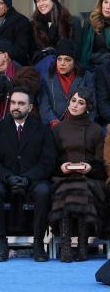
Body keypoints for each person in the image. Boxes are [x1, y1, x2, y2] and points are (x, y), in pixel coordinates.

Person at [0, 87, 55, 262]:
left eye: (21, 103)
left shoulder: (43, 130)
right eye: (13, 102)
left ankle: (38, 243)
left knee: (44, 192)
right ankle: (1, 242)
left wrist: (28, 178)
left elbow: (48, 162)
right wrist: (8, 177)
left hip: (33, 180)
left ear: (30, 108)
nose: (16, 106)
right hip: (6, 180)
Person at [48, 88, 106, 262]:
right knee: (68, 190)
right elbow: (50, 161)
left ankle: (82, 245)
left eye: (81, 103)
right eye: (73, 101)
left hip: (89, 178)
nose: (75, 105)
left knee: (81, 189)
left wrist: (89, 167)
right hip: (63, 177)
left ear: (87, 108)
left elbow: (101, 163)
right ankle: (66, 245)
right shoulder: (58, 129)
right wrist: (62, 167)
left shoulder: (96, 130)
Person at [0, 37, 40, 134]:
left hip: (25, 131)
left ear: (5, 56)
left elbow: (31, 86)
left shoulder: (26, 71)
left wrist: (9, 82)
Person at [38, 39, 95, 127]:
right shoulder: (47, 78)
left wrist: (84, 125)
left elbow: (92, 105)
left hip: (80, 126)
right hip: (54, 125)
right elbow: (44, 106)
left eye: (67, 60)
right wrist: (53, 121)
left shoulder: (86, 77)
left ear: (74, 62)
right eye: (59, 59)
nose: (62, 63)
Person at [30, 0, 82, 76]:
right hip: (42, 68)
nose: (41, 3)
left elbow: (77, 49)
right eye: (38, 1)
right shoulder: (33, 24)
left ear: (53, 0)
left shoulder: (71, 22)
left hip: (68, 68)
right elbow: (31, 51)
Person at [80, 0, 110, 69]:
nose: (108, 7)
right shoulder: (90, 21)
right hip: (93, 70)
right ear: (101, 3)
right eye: (106, 2)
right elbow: (84, 51)